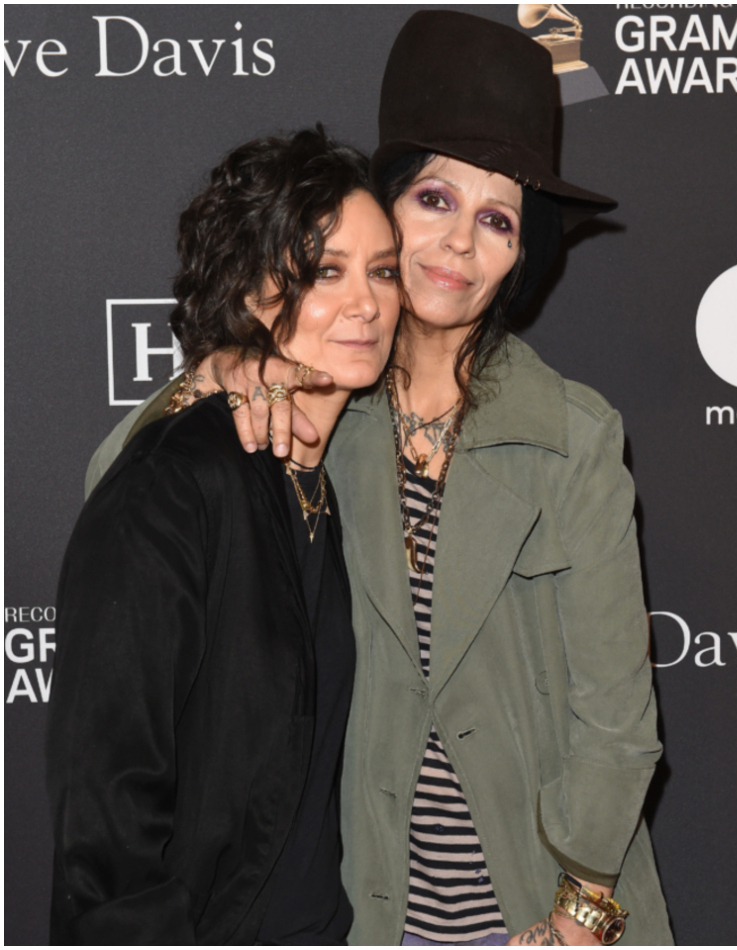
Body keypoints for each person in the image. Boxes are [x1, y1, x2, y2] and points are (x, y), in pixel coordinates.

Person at [85, 11, 673, 947]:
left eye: (497, 220)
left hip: (541, 911)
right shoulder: (321, 408)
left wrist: (580, 912)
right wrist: (214, 373)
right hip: (366, 910)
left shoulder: (573, 436)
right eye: (435, 201)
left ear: (522, 255)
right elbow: (115, 490)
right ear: (385, 205)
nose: (458, 248)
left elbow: (618, 720)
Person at [46, 127, 400, 945]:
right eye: (324, 272)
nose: (367, 302)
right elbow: (103, 810)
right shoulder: (174, 486)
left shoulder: (331, 477)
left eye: (382, 270)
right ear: (248, 290)